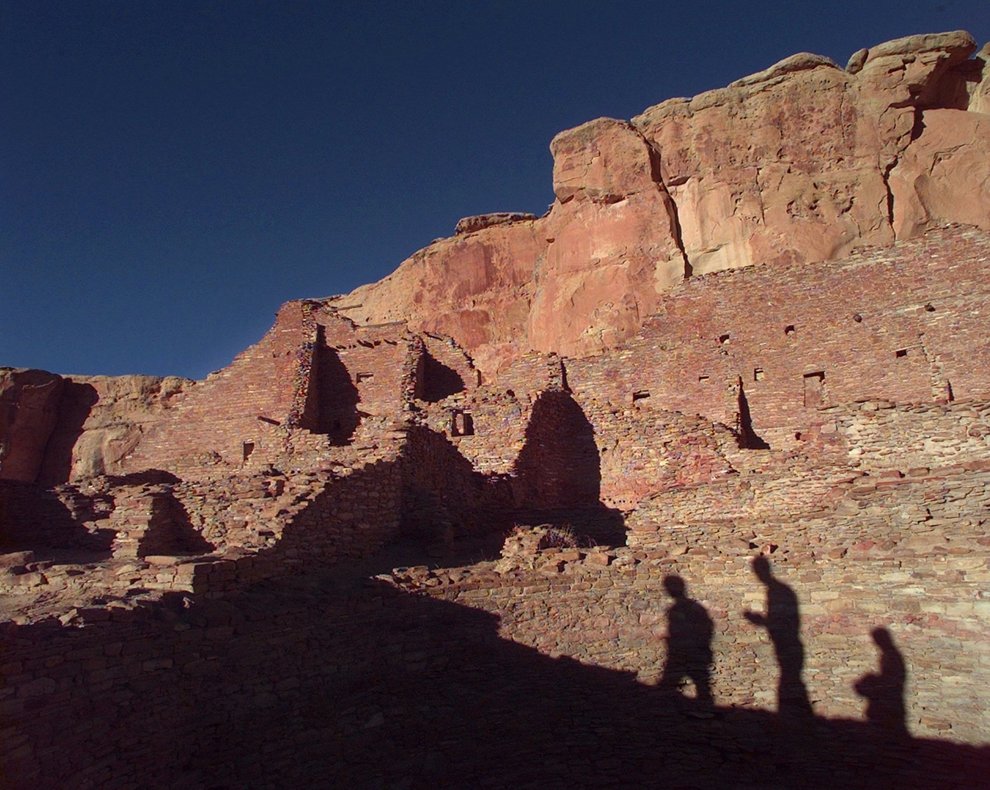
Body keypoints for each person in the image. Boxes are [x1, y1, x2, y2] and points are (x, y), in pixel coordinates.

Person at [743, 555, 813, 717]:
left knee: (789, 679)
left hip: (786, 643)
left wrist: (760, 621)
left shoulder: (778, 591)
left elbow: (787, 620)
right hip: (784, 643)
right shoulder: (778, 590)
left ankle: (795, 721)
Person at [658, 575, 714, 708]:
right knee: (701, 684)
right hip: (687, 651)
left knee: (698, 684)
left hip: (687, 651)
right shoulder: (685, 608)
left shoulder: (685, 608)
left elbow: (706, 629)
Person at [854, 627, 908, 736]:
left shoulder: (891, 656)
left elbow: (892, 680)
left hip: (889, 702)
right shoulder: (890, 655)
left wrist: (873, 684)